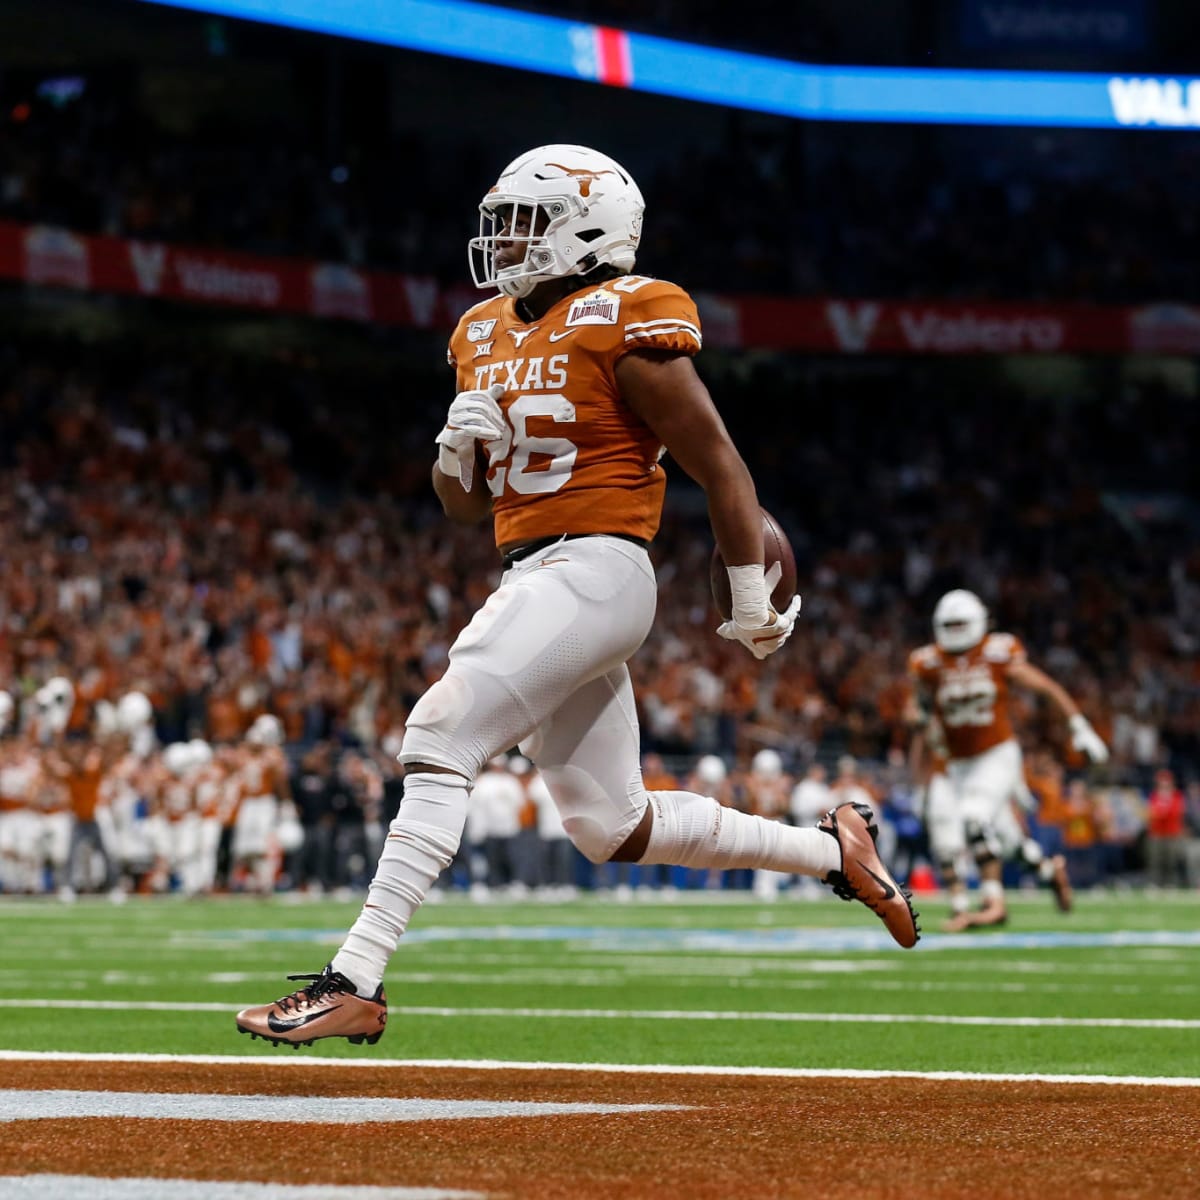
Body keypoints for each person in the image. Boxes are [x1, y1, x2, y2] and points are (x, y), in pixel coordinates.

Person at [236, 143, 918, 1048]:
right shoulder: (479, 331)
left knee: (441, 732)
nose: (505, 241)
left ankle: (355, 978)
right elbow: (465, 508)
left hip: (599, 565)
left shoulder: (625, 315)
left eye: (524, 222)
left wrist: (751, 592)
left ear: (590, 227)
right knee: (612, 824)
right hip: (535, 569)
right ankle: (835, 851)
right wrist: (452, 455)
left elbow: (719, 462)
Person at [907, 589, 1107, 931]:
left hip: (996, 755)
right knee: (1006, 840)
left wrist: (1079, 726)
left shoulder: (997, 653)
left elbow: (1045, 687)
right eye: (949, 624)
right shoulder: (928, 662)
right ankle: (1048, 869)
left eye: (960, 623)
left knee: (972, 819)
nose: (955, 630)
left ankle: (992, 902)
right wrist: (920, 721)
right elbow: (915, 711)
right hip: (957, 765)